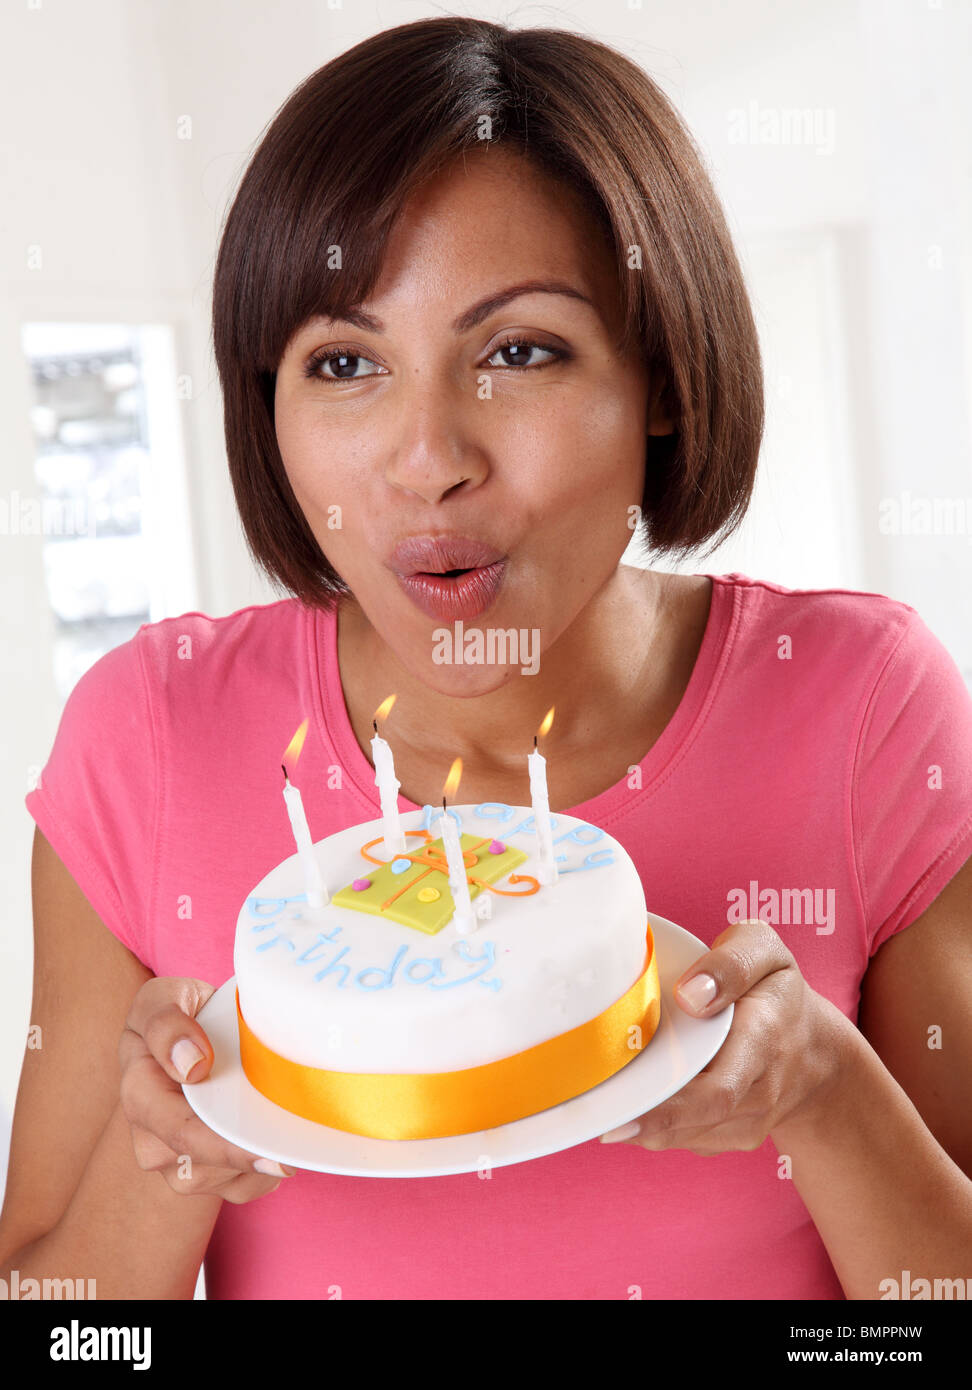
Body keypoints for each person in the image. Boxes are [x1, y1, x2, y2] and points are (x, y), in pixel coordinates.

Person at [3, 18, 970, 1301]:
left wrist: (835, 1097)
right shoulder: (149, 739)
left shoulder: (861, 708)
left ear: (664, 373)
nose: (427, 458)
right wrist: (161, 1158)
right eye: (344, 362)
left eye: (520, 352)